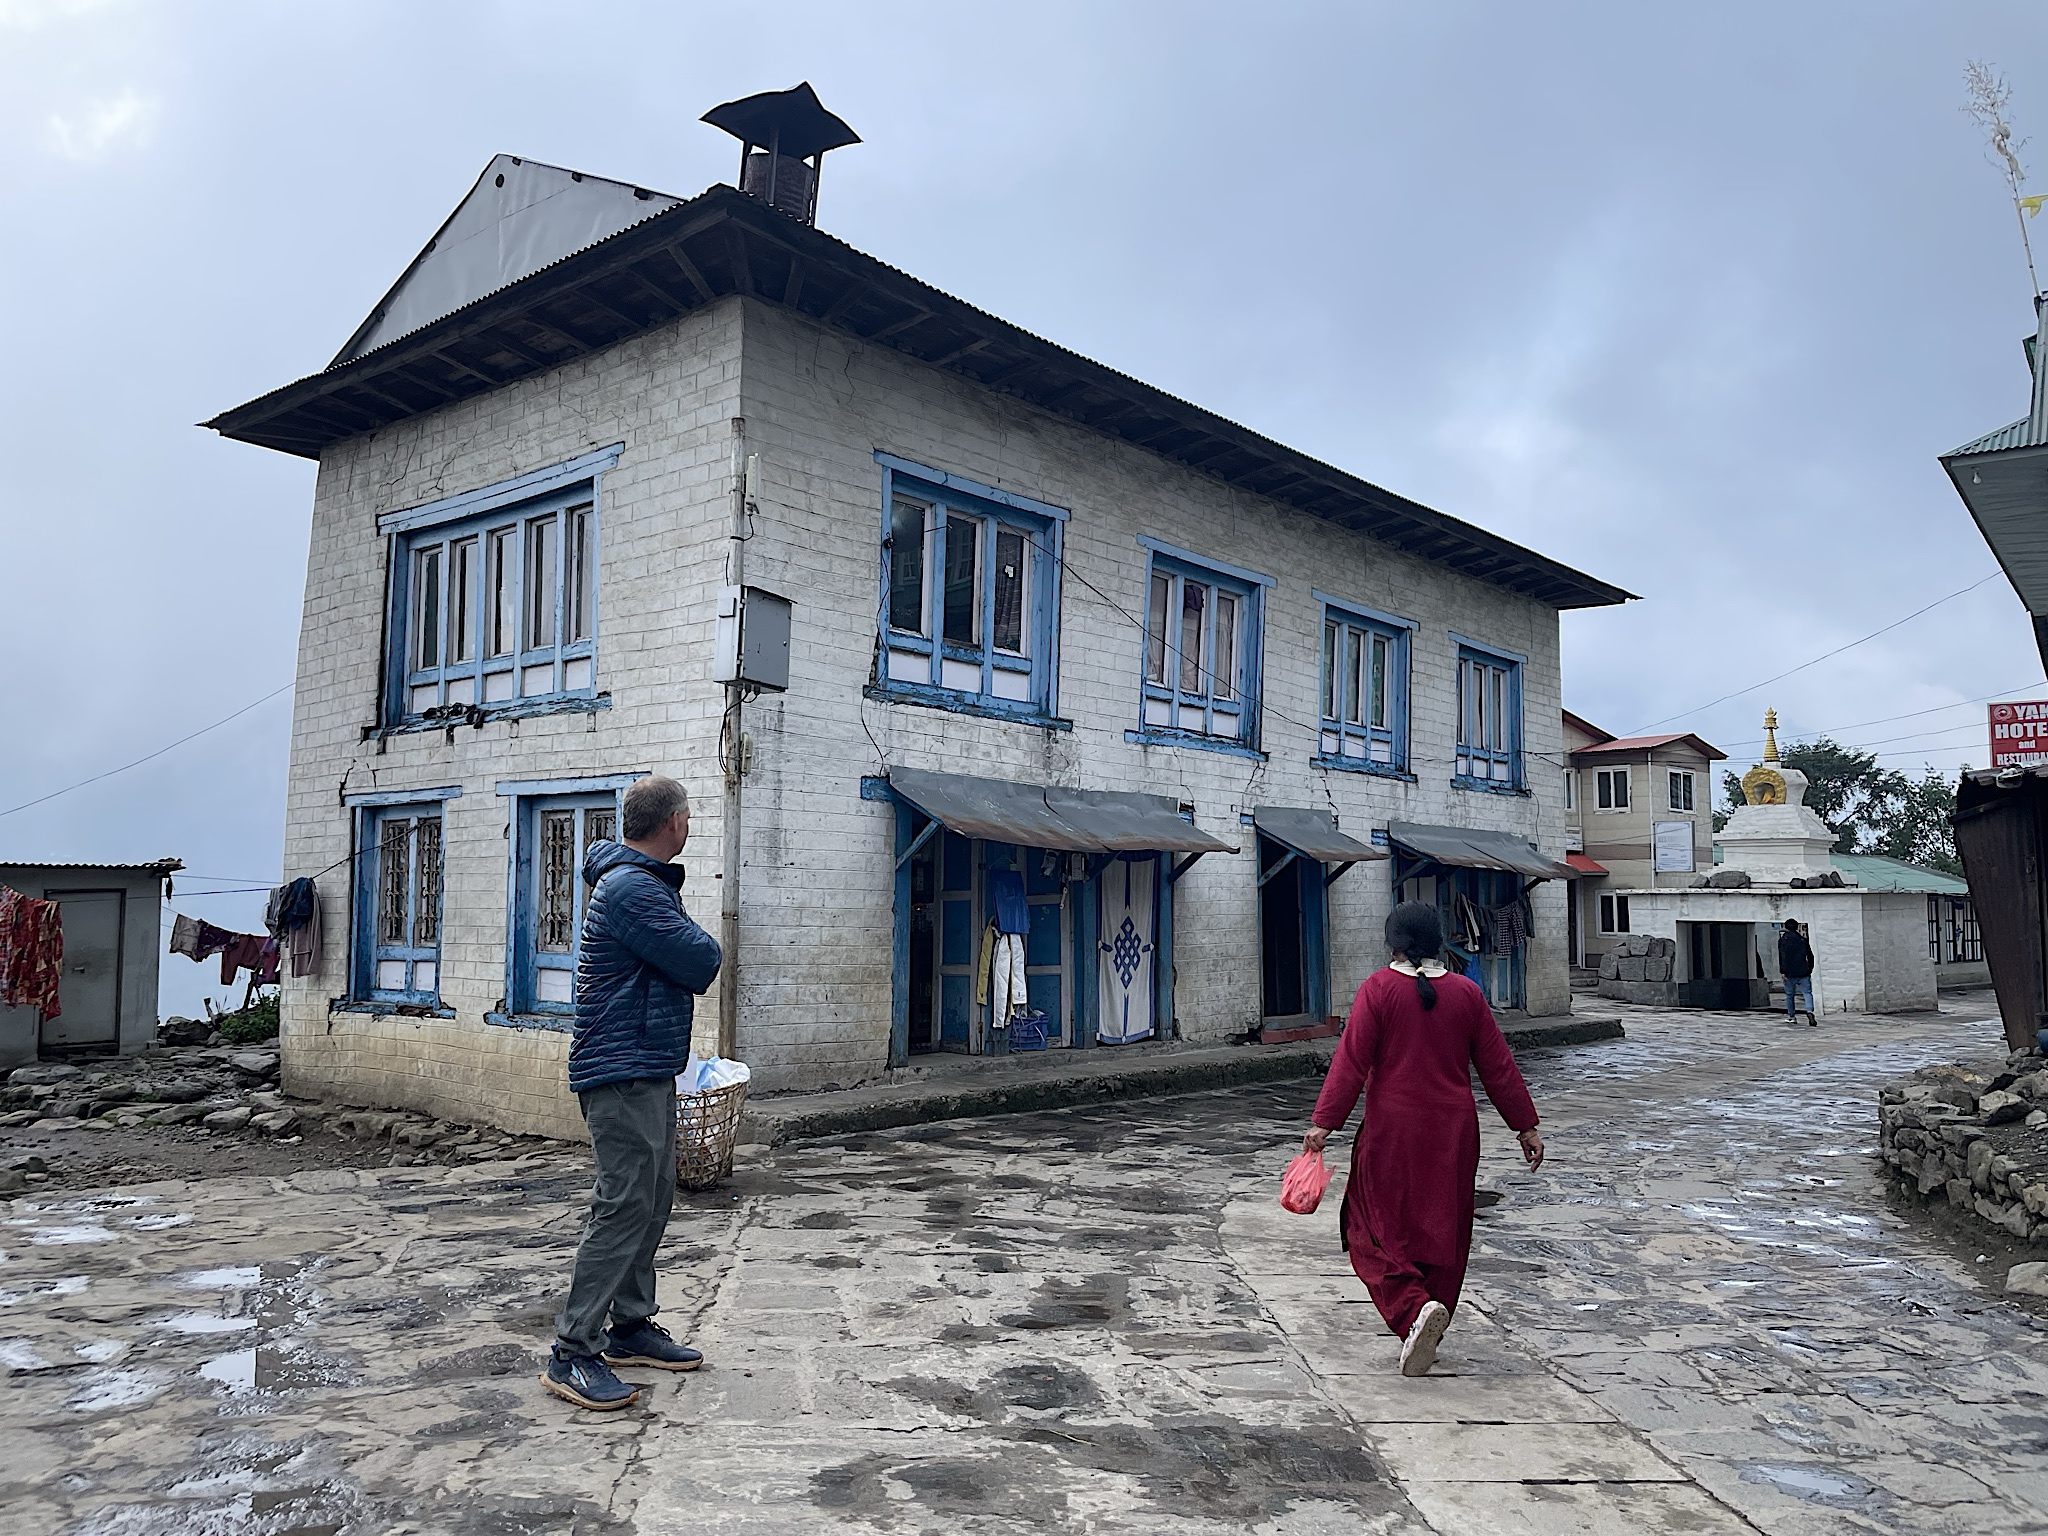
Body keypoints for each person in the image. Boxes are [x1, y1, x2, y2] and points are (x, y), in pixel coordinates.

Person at [1300, 902, 1544, 1377]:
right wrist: (1525, 1126)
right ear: (1437, 942)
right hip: (1453, 1132)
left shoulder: (1378, 990)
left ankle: (1414, 1313)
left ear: (1394, 942)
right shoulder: (1466, 994)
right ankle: (1433, 1310)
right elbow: (1497, 1066)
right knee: (1443, 1227)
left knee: (1369, 1226)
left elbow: (1350, 1063)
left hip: (1392, 1130)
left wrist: (1323, 1123)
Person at [542, 775, 723, 1412]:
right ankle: (572, 1351)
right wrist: (700, 939)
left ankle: (630, 1326)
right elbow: (702, 960)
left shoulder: (639, 885)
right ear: (672, 822)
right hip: (619, 1069)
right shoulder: (631, 889)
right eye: (688, 817)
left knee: (652, 1196)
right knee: (621, 1204)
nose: (690, 826)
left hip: (645, 1063)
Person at [1779, 919, 1816, 1026]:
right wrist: (1810, 968)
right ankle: (1810, 1011)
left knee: (1790, 995)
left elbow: (1782, 956)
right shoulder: (1802, 940)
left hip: (1789, 971)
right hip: (1803, 970)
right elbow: (1810, 955)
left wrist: (1782, 970)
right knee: (1807, 993)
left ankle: (1791, 1016)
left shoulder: (1784, 940)